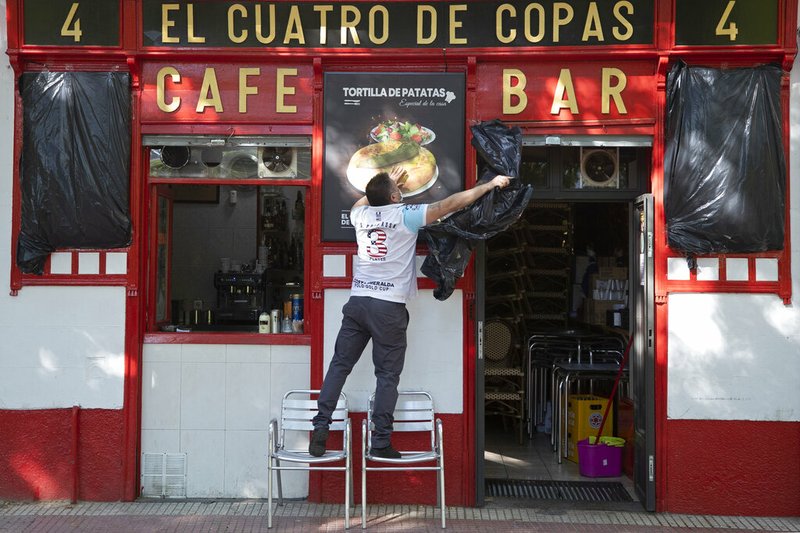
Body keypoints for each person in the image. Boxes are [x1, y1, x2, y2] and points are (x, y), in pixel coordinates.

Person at [310, 167, 512, 458]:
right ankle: (380, 442)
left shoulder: (361, 216)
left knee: (339, 365)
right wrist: (489, 185)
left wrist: (385, 187)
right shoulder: (405, 215)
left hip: (358, 302)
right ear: (395, 195)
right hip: (387, 307)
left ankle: (321, 429)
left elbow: (361, 202)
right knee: (387, 375)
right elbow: (451, 204)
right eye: (397, 189)